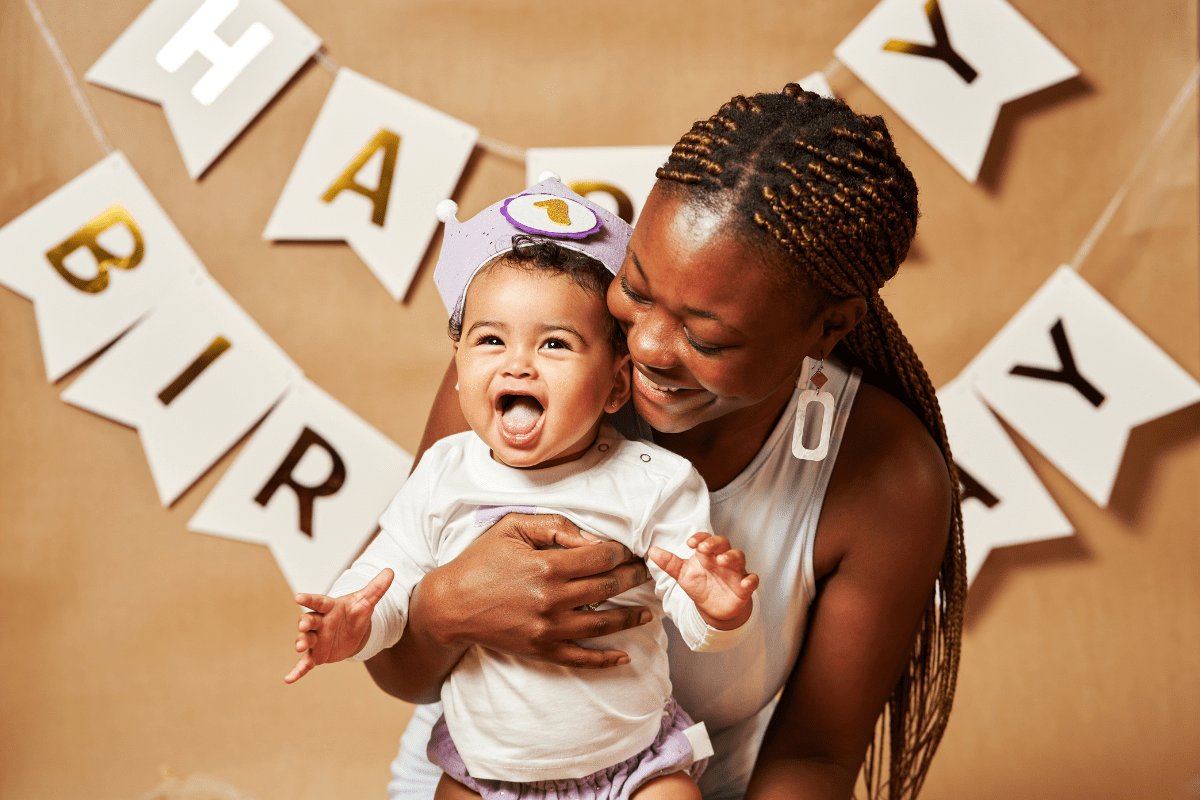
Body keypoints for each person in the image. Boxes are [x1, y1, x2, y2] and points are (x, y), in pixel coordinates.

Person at [366, 85, 966, 800]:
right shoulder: (537, 364)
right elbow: (393, 666)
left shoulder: (888, 480)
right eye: (637, 288)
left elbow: (814, 754)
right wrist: (445, 608)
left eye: (705, 336)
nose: (645, 347)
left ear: (828, 327)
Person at [285, 177, 763, 800]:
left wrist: (716, 608)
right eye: (490, 339)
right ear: (457, 366)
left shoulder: (651, 480)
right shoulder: (443, 473)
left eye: (555, 344)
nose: (518, 365)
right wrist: (355, 621)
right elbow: (389, 578)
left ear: (617, 385)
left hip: (633, 765)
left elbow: (686, 598)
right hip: (485, 773)